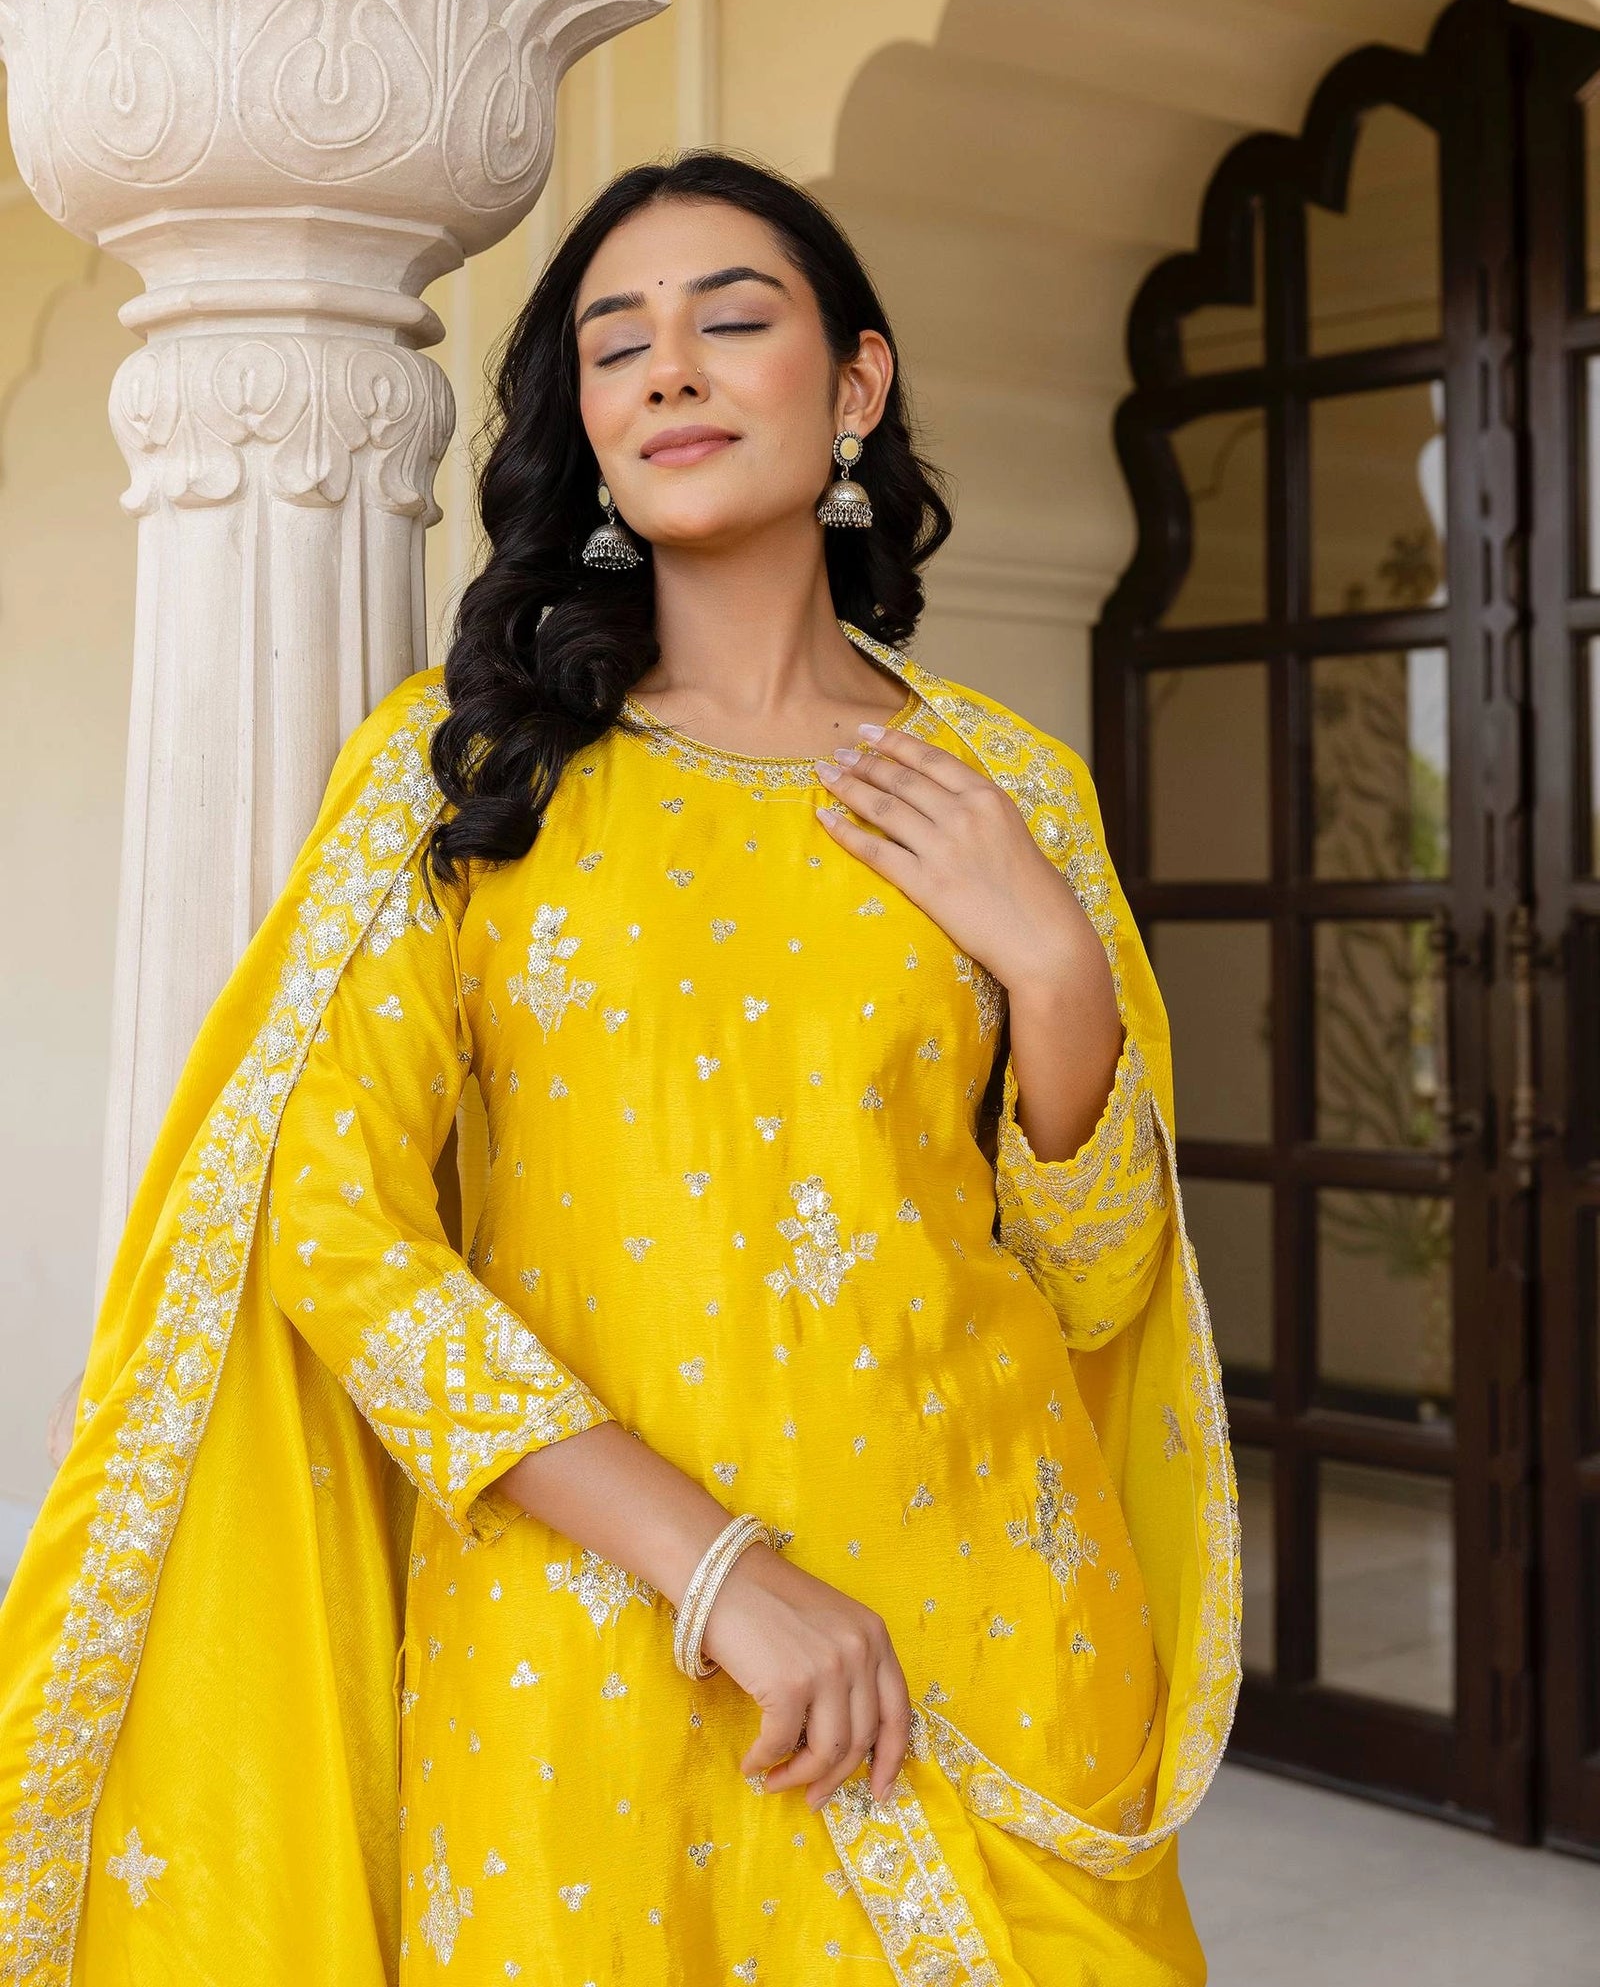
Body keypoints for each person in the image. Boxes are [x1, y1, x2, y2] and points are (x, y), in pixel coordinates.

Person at [0, 152, 1238, 1985]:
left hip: (985, 1640)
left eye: (733, 321)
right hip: (596, 1648)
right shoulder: (473, 771)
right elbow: (335, 1230)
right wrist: (722, 1567)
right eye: (614, 344)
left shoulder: (1009, 786)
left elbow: (1096, 1282)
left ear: (857, 389)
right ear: (582, 424)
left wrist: (1052, 964)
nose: (668, 369)